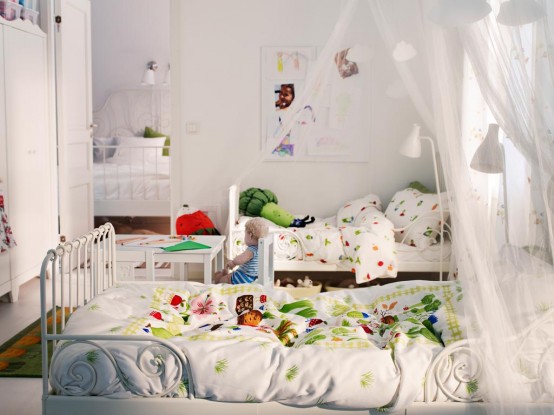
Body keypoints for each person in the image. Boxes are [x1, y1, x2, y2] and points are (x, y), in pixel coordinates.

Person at [214, 217, 269, 284]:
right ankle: (224, 275)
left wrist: (233, 262)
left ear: (250, 235)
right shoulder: (261, 248)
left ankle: (219, 281)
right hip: (254, 277)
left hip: (244, 277)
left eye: (245, 234)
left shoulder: (251, 250)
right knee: (231, 275)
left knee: (226, 279)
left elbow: (242, 259)